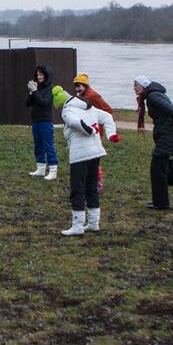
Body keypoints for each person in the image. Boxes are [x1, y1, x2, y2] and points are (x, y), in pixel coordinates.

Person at [54, 90, 120, 236]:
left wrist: (88, 130)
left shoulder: (67, 111)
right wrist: (111, 134)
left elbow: (74, 122)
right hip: (96, 152)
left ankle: (77, 225)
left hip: (80, 154)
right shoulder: (89, 107)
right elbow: (107, 117)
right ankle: (93, 223)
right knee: (91, 187)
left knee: (77, 188)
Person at [134, 76, 173, 210]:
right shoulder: (153, 95)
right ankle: (161, 202)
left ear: (144, 86)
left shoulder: (153, 97)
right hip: (166, 134)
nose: (134, 88)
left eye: (136, 85)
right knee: (159, 167)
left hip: (168, 135)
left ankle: (161, 202)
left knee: (157, 168)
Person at [26, 65, 59, 180]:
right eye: (37, 74)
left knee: (48, 145)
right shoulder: (37, 89)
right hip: (35, 121)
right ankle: (40, 168)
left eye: (41, 74)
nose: (39, 76)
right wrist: (31, 92)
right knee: (38, 144)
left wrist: (35, 91)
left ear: (46, 75)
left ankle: (53, 170)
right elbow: (28, 104)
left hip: (45, 121)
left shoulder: (50, 89)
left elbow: (44, 102)